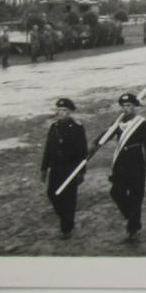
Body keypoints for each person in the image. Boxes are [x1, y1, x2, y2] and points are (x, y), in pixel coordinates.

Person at [104, 93, 146, 240]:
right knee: (116, 192)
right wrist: (95, 144)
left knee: (135, 196)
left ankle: (132, 228)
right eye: (124, 106)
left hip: (136, 163)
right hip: (120, 163)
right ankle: (132, 217)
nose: (127, 109)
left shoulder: (141, 123)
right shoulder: (119, 122)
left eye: (129, 106)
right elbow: (106, 134)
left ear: (135, 107)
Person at [41, 98, 88, 239]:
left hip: (71, 168)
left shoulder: (77, 128)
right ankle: (66, 220)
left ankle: (66, 228)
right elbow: (48, 149)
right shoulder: (54, 127)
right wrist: (44, 169)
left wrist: (81, 172)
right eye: (59, 110)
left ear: (71, 112)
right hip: (55, 167)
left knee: (69, 198)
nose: (61, 113)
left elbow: (83, 151)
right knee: (52, 194)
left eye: (65, 111)